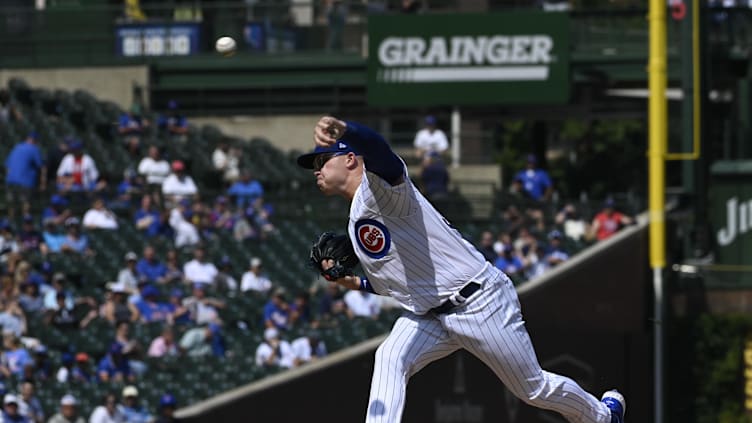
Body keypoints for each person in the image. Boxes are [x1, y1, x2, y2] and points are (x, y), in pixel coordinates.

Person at [296, 116, 626, 423]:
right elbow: (404, 283)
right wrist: (351, 281)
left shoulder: (379, 189)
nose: (316, 169)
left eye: (322, 160)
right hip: (433, 313)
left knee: (532, 389)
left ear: (351, 158)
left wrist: (347, 130)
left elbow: (382, 154)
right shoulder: (358, 219)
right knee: (390, 357)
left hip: (479, 302)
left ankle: (601, 416)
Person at [5, 132, 46, 219]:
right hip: (26, 182)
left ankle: (11, 220)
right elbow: (41, 167)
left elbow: (7, 167)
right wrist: (43, 183)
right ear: (35, 140)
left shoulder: (17, 147)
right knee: (26, 203)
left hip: (11, 180)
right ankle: (25, 221)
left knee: (12, 203)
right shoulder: (34, 149)